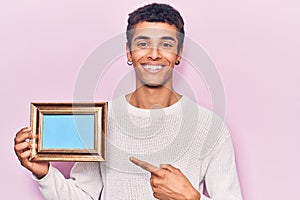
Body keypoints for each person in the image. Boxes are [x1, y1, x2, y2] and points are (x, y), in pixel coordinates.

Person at [14, 3, 242, 200]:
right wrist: (44, 173)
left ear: (179, 53)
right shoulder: (102, 121)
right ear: (128, 52)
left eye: (166, 44)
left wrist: (190, 197)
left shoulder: (211, 128)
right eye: (143, 43)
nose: (154, 54)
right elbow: (84, 196)